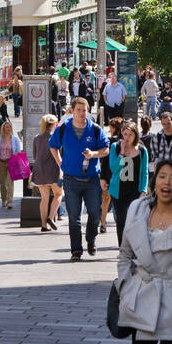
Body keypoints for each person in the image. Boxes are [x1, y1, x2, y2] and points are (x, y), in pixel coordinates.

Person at [115, 160, 172, 344]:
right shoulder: (137, 210)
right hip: (141, 300)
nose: (167, 182)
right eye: (162, 177)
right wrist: (124, 286)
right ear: (154, 182)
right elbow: (124, 253)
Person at [48, 97, 110, 261]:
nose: (82, 113)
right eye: (79, 110)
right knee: (74, 217)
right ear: (72, 111)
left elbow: (106, 149)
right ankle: (76, 250)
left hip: (92, 179)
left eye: (85, 110)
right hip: (71, 179)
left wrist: (94, 154)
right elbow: (52, 145)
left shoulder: (95, 129)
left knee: (95, 213)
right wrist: (60, 162)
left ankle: (91, 239)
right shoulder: (63, 129)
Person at [108, 121, 148, 247]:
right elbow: (113, 169)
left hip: (134, 190)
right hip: (118, 189)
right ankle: (123, 247)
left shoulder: (142, 150)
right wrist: (122, 154)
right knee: (121, 220)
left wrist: (143, 190)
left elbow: (144, 172)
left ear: (135, 135)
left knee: (133, 220)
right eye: (125, 134)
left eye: (130, 134)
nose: (127, 137)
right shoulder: (115, 147)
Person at [30, 115, 62, 232]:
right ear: (54, 124)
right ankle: (50, 217)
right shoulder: (56, 137)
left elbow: (35, 155)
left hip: (39, 170)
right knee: (58, 194)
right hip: (53, 170)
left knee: (44, 198)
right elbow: (60, 154)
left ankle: (44, 225)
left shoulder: (37, 138)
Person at [0, 119, 18, 211]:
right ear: (3, 129)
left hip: (11, 162)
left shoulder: (14, 139)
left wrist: (16, 153)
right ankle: (3, 199)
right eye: (6, 127)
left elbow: (18, 150)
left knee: (10, 182)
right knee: (2, 182)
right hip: (1, 162)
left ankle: (10, 201)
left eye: (9, 127)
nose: (8, 129)